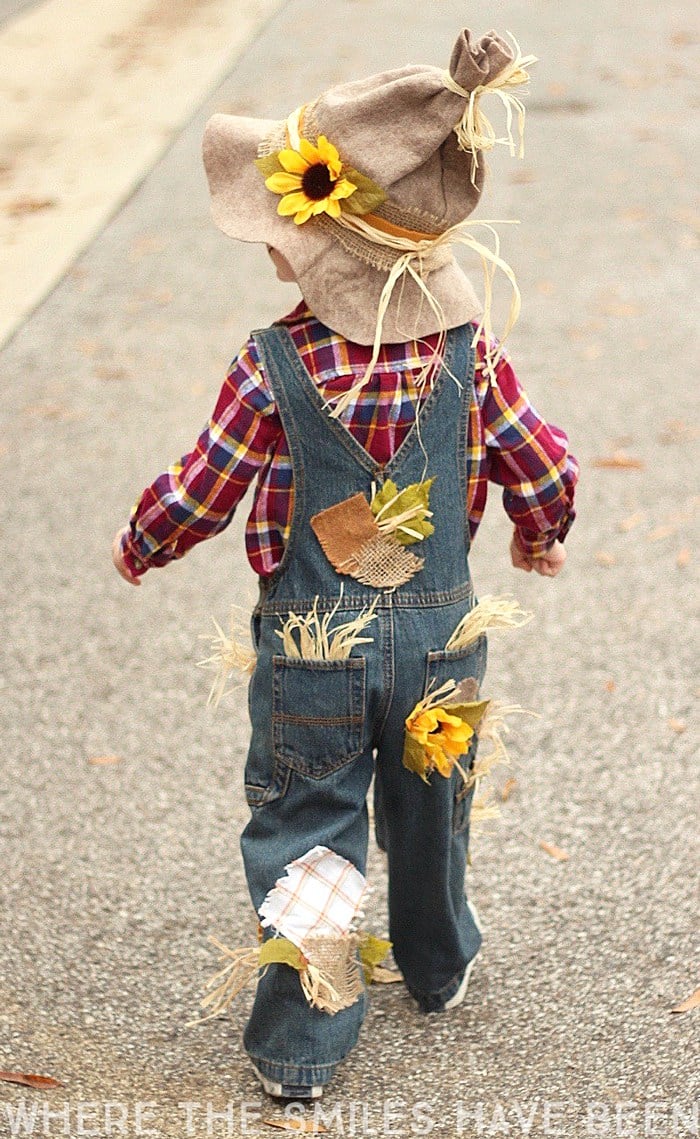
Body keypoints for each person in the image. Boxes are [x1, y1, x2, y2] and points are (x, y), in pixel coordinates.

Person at [112, 28, 578, 1099]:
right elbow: (540, 459)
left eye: (280, 231)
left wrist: (145, 542)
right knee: (433, 798)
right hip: (442, 649)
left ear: (318, 247)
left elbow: (200, 487)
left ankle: (301, 1044)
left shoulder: (271, 362)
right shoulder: (472, 353)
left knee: (308, 824)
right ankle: (438, 958)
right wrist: (538, 529)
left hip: (311, 657)